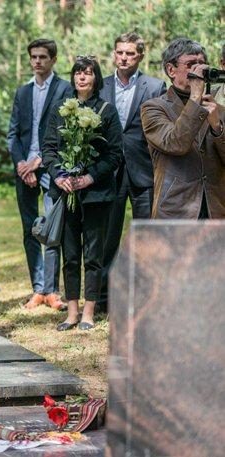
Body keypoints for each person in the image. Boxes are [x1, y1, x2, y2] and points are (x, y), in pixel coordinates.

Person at [42, 56, 123, 331]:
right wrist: (59, 175)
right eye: (77, 73)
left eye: (87, 73)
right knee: (71, 252)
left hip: (97, 193)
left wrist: (90, 176)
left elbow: (114, 154)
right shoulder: (60, 110)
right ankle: (72, 312)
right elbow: (49, 149)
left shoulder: (106, 110)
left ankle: (89, 311)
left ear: (96, 77)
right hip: (66, 193)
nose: (82, 77)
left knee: (93, 253)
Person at [98, 32, 166, 311]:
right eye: (119, 52)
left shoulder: (155, 86)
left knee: (145, 236)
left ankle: (144, 297)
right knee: (106, 236)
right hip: (109, 173)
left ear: (140, 56)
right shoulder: (100, 87)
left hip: (143, 171)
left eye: (130, 53)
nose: (124, 57)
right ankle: (101, 296)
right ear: (114, 54)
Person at [7, 39, 72, 310]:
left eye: (43, 57)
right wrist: (23, 164)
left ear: (53, 59)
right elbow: (13, 134)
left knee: (51, 228)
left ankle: (52, 290)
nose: (37, 61)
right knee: (29, 229)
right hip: (24, 169)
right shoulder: (22, 92)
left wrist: (39, 162)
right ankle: (37, 289)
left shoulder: (65, 89)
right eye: (33, 56)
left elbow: (66, 134)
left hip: (51, 167)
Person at [141, 38, 225, 219]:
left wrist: (218, 127)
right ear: (171, 70)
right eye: (191, 65)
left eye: (201, 64)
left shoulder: (217, 110)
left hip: (215, 209)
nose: (198, 70)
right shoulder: (153, 108)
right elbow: (175, 144)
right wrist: (195, 98)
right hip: (175, 210)